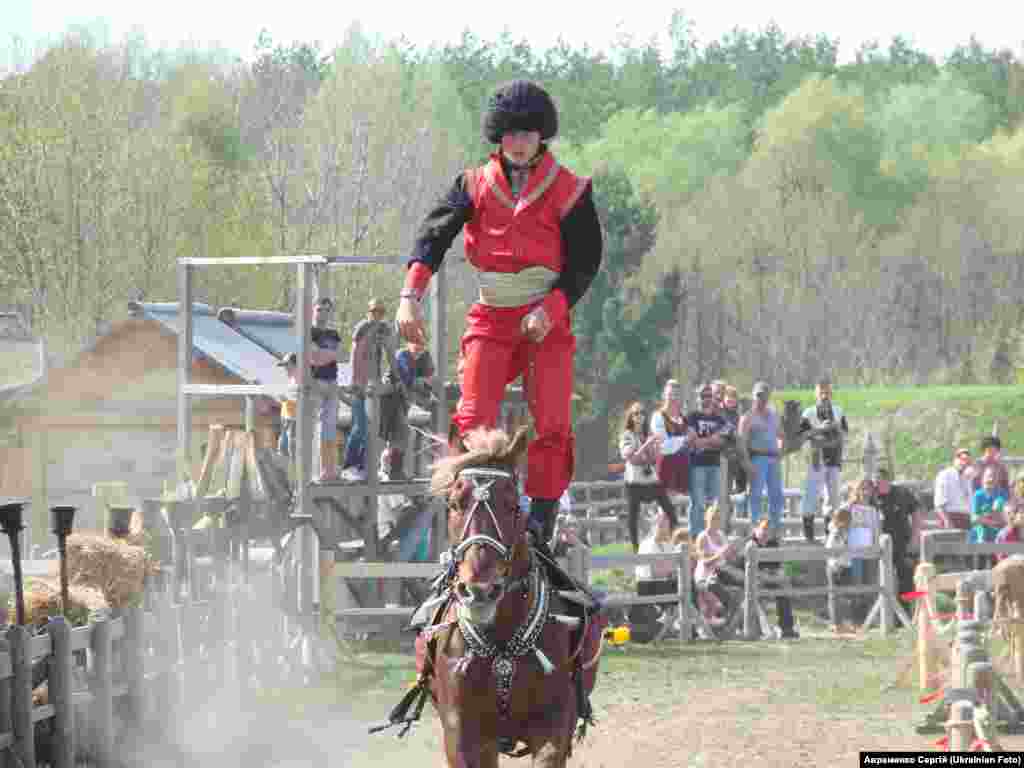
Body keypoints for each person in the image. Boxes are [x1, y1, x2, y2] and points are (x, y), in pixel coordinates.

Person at [395, 80, 602, 574]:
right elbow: (432, 238)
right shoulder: (472, 184)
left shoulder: (570, 190)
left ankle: (541, 528)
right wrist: (409, 297)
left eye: (527, 132)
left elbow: (586, 263)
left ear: (542, 135)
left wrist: (549, 309)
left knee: (552, 424)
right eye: (509, 133)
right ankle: (463, 520)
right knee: (471, 420)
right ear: (497, 137)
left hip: (543, 321)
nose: (518, 141)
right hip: (490, 317)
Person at [342, 297, 393, 482]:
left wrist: (393, 375)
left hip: (374, 382)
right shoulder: (362, 328)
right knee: (360, 425)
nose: (377, 315)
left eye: (380, 312)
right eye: (374, 312)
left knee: (372, 428)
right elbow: (355, 354)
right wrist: (355, 381)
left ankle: (365, 467)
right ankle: (349, 465)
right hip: (359, 383)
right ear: (368, 312)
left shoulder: (384, 329)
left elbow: (389, 352)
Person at [620, 401, 679, 551]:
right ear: (631, 417)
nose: (640, 416)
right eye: (636, 413)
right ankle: (635, 547)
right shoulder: (627, 435)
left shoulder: (649, 434)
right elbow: (631, 459)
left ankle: (675, 542)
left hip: (651, 480)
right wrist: (647, 445)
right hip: (634, 482)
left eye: (642, 413)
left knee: (670, 510)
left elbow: (654, 458)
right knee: (633, 516)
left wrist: (654, 449)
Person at [799, 376, 849, 543]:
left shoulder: (838, 411)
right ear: (816, 394)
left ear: (831, 393)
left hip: (834, 458)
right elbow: (801, 435)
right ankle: (809, 535)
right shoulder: (809, 413)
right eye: (821, 392)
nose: (825, 395)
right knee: (811, 494)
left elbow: (845, 434)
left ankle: (830, 534)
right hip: (816, 457)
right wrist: (819, 429)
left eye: (827, 392)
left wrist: (836, 429)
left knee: (834, 498)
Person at [380, 337, 435, 479]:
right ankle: (393, 470)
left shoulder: (424, 358)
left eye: (421, 344)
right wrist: (417, 389)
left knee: (402, 435)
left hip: (404, 400)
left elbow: (427, 381)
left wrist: (423, 390)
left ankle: (391, 468)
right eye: (415, 343)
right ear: (409, 342)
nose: (419, 348)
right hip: (392, 398)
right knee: (400, 432)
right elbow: (406, 381)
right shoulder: (402, 355)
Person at [738, 381, 785, 538]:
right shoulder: (748, 417)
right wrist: (747, 463)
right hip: (757, 458)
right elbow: (742, 442)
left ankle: (774, 528)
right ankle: (755, 529)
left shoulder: (774, 415)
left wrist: (781, 449)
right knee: (756, 495)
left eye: (765, 395)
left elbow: (781, 434)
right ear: (754, 396)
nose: (762, 398)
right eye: (759, 395)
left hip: (774, 459)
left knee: (777, 494)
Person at [686, 382, 728, 538]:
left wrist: (704, 441)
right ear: (698, 398)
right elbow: (693, 441)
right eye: (703, 396)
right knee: (698, 502)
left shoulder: (720, 419)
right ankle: (695, 535)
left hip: (714, 465)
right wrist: (712, 439)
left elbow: (723, 442)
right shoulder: (692, 417)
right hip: (697, 465)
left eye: (709, 396)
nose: (706, 399)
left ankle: (710, 535)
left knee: (713, 503)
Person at [872, 466, 918, 605]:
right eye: (875, 481)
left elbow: (916, 513)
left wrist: (915, 538)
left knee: (907, 578)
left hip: (903, 542)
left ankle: (908, 612)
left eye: (878, 480)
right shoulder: (872, 496)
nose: (876, 484)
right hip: (882, 545)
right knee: (884, 579)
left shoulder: (902, 492)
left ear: (887, 480)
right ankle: (886, 615)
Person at [309, 297, 342, 482]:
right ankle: (313, 471)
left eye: (326, 310)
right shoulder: (309, 331)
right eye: (320, 309)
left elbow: (334, 354)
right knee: (314, 428)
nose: (323, 313)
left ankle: (328, 470)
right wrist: (325, 355)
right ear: (314, 310)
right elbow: (313, 358)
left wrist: (323, 354)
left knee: (329, 428)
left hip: (332, 381)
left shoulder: (333, 334)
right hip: (315, 383)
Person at [693, 503, 741, 628]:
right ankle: (729, 615)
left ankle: (735, 618)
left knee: (741, 582)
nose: (715, 521)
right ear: (706, 518)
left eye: (718, 518)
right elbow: (705, 562)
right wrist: (720, 554)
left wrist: (732, 552)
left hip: (721, 573)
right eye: (713, 518)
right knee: (716, 584)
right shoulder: (702, 537)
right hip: (705, 576)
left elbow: (729, 559)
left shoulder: (721, 535)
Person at [845, 477, 881, 623]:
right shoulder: (849, 507)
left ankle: (868, 618)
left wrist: (877, 549)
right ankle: (857, 618)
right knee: (857, 584)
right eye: (863, 488)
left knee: (870, 584)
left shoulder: (873, 510)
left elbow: (876, 530)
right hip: (854, 552)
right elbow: (839, 524)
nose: (866, 492)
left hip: (870, 551)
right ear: (857, 490)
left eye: (869, 489)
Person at [651, 380, 690, 500]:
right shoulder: (658, 416)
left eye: (676, 395)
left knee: (675, 512)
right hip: (665, 469)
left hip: (682, 469)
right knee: (665, 512)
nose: (673, 398)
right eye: (670, 394)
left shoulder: (683, 418)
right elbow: (664, 446)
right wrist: (686, 439)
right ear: (664, 396)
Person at [825, 505, 856, 634]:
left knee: (847, 596)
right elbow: (830, 550)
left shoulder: (847, 532)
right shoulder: (835, 533)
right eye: (844, 520)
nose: (848, 523)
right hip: (836, 567)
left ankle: (846, 622)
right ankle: (836, 623)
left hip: (846, 565)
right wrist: (835, 564)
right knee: (835, 596)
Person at [970, 466, 1008, 569]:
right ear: (983, 478)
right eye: (988, 476)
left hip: (997, 537)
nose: (991, 479)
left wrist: (993, 516)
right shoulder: (978, 495)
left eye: (994, 476)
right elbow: (974, 518)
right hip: (980, 535)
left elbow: (1005, 516)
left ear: (997, 479)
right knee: (979, 567)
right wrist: (991, 521)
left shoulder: (1002, 494)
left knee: (997, 567)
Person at [934, 447, 974, 532]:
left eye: (968, 461)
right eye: (962, 459)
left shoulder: (968, 478)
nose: (964, 462)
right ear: (955, 460)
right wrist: (947, 520)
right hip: (950, 518)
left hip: (966, 520)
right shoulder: (945, 475)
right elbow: (939, 502)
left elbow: (970, 504)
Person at [275, 352, 299, 458]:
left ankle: (294, 468)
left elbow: (302, 398)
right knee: (282, 447)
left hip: (294, 418)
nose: (285, 369)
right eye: (284, 366)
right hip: (286, 417)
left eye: (287, 365)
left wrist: (287, 398)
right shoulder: (291, 379)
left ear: (295, 365)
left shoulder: (300, 379)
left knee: (291, 447)